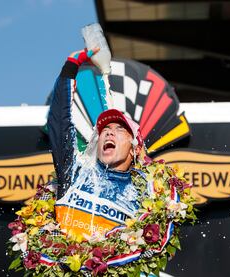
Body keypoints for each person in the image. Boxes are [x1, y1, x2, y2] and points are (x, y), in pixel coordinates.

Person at [47, 48, 146, 238]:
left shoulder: (144, 195)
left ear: (135, 149)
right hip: (66, 264)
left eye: (119, 129)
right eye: (104, 130)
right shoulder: (74, 173)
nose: (109, 132)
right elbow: (59, 123)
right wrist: (71, 66)